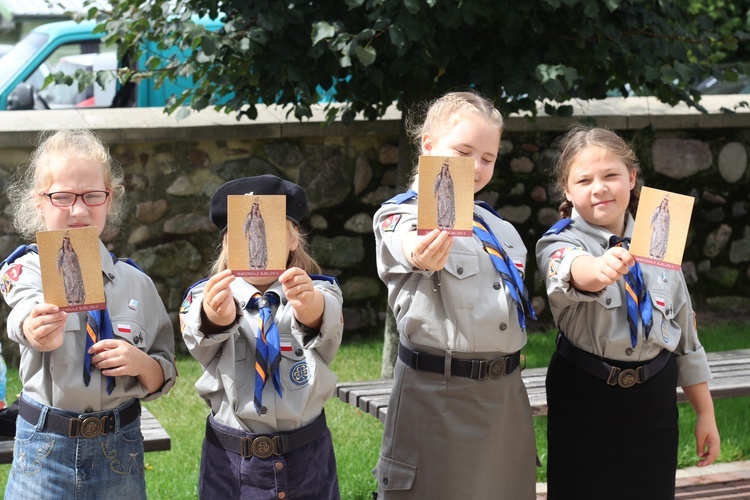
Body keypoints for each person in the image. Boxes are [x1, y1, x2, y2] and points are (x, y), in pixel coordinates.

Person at [536, 125, 720, 499]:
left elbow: (685, 332)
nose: (599, 187)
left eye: (611, 175)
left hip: (654, 400)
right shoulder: (559, 240)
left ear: (632, 178)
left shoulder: (658, 239)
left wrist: (706, 413)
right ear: (567, 191)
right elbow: (568, 269)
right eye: (584, 179)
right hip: (586, 398)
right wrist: (598, 270)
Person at [372, 91, 538, 499]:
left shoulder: (499, 229)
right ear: (428, 146)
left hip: (504, 399)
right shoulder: (401, 214)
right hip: (439, 399)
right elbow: (406, 242)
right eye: (463, 151)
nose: (476, 167)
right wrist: (420, 250)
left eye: (488, 157)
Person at [0, 129, 176, 499]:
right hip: (44, 451)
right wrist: (35, 327)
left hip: (119, 451)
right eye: (62, 196)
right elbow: (23, 313)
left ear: (109, 199)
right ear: (38, 202)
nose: (78, 210)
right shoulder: (28, 271)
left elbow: (165, 370)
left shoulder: (137, 284)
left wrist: (142, 364)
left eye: (92, 196)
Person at [180, 175, 344, 500]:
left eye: (271, 228)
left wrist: (308, 306)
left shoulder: (318, 290)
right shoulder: (204, 296)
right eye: (243, 233)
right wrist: (217, 317)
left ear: (293, 238)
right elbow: (197, 334)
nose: (258, 240)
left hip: (306, 456)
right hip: (231, 461)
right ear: (227, 245)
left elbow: (326, 321)